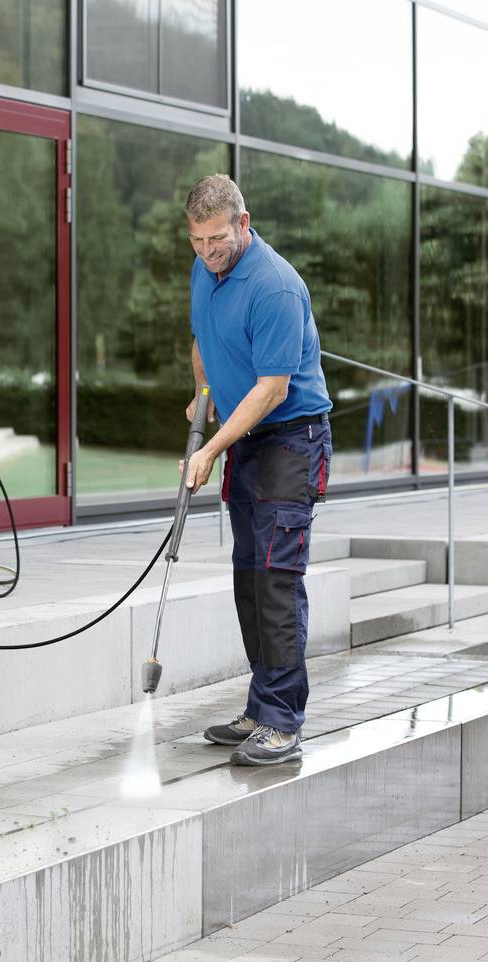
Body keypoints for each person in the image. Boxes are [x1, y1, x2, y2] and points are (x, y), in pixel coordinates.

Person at [179, 174, 333, 767]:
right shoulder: (205, 271)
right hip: (246, 438)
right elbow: (201, 339)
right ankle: (259, 706)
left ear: (244, 223)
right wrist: (204, 392)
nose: (208, 253)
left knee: (275, 576)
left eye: (217, 240)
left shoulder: (276, 288)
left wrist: (209, 446)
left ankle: (282, 721)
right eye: (197, 242)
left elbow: (272, 389)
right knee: (248, 575)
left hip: (292, 441)